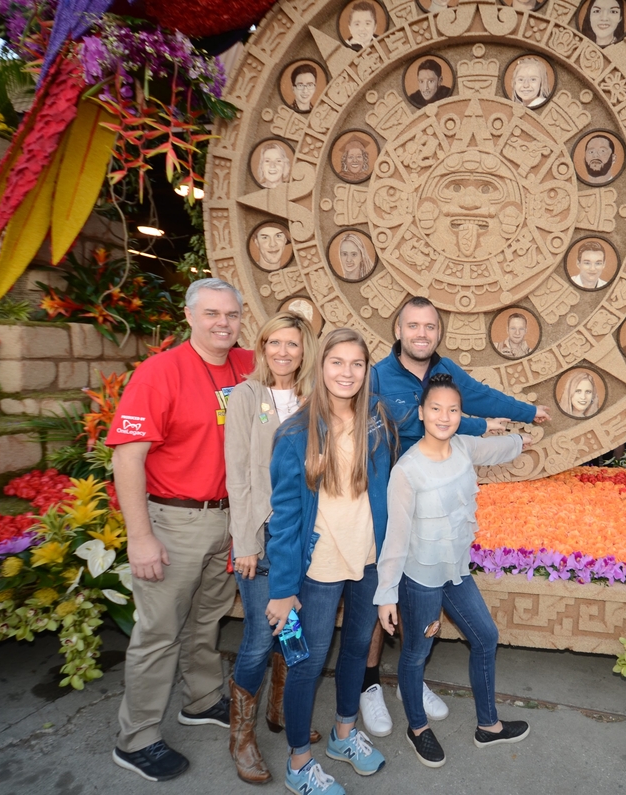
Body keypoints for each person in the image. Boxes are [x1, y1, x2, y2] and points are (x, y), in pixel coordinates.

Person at [363, 296, 550, 735]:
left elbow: (475, 400)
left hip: (437, 513)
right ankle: (369, 685)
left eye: (429, 326)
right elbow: (416, 423)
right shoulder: (376, 377)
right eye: (413, 325)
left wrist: (524, 419)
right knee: (379, 593)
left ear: (438, 332)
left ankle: (415, 683)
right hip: (390, 496)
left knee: (425, 620)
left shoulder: (445, 373)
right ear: (399, 330)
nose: (421, 333)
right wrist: (477, 425)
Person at [108, 278, 254, 782]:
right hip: (175, 519)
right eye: (212, 313)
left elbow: (299, 361)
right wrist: (140, 535)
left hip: (228, 521)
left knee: (206, 620)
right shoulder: (159, 373)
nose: (223, 323)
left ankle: (202, 698)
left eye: (232, 315)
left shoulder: (245, 364)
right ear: (189, 317)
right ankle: (138, 737)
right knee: (159, 632)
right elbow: (127, 458)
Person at [375, 374, 533, 768]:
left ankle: (488, 726)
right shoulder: (407, 470)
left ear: (461, 415)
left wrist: (521, 440)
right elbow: (395, 538)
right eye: (436, 408)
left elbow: (495, 449)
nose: (444, 417)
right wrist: (387, 595)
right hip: (421, 579)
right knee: (416, 653)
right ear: (422, 413)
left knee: (485, 636)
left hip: (456, 573)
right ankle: (417, 728)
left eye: (453, 410)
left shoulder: (463, 446)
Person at [265, 328, 395, 795]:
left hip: (368, 561)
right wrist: (282, 588)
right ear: (320, 367)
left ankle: (344, 735)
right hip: (318, 568)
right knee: (307, 662)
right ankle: (299, 763)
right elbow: (283, 519)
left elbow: (386, 497)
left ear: (366, 370)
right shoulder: (295, 433)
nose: (347, 372)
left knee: (357, 652)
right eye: (337, 362)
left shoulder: (377, 420)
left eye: (356, 364)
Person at [224, 312, 318, 784]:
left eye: (292, 344)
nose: (283, 351)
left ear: (306, 351)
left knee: (293, 627)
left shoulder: (313, 397)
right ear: (262, 347)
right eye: (273, 342)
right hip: (259, 539)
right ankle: (241, 737)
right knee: (260, 637)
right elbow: (237, 472)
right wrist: (244, 541)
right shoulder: (246, 396)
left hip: (302, 537)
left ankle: (282, 712)